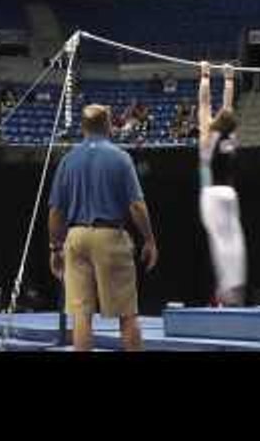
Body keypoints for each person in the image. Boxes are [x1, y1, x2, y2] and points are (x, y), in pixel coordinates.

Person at [47, 104, 158, 352]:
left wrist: (55, 248)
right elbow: (136, 206)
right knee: (127, 314)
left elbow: (55, 211)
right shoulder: (120, 157)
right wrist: (149, 240)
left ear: (83, 128)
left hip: (75, 237)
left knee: (81, 315)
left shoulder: (68, 160)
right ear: (108, 126)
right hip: (110, 236)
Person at [196, 62, 247, 307]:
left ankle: (225, 291)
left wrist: (205, 75)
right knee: (234, 239)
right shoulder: (232, 135)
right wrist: (229, 78)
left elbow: (205, 104)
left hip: (212, 194)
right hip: (230, 193)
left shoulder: (208, 136)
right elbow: (228, 108)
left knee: (219, 241)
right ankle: (232, 286)